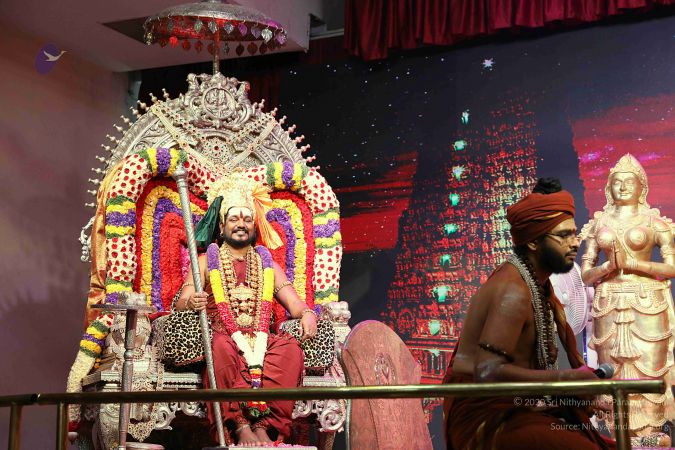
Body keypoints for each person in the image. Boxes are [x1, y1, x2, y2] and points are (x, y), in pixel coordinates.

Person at [443, 178, 614, 450]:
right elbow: (486, 371)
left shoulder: (537, 284)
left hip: (518, 408)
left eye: (574, 234)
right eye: (563, 236)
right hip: (487, 420)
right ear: (533, 242)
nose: (574, 244)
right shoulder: (513, 291)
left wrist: (570, 393)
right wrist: (566, 381)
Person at [176, 170, 317, 447]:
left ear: (254, 226)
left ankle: (265, 427)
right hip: (223, 335)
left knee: (289, 350)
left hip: (260, 337)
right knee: (221, 348)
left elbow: (294, 303)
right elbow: (182, 301)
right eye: (233, 219)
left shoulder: (267, 263)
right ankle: (239, 426)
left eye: (247, 219)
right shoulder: (204, 261)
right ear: (222, 226)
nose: (241, 224)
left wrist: (308, 314)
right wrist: (191, 302)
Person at [580, 154, 675, 447]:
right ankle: (618, 434)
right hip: (608, 302)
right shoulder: (599, 223)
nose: (622, 187)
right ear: (609, 188)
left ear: (641, 187)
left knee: (650, 369)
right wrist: (607, 268)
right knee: (613, 369)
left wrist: (634, 265)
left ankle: (650, 435)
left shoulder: (654, 222)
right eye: (617, 182)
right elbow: (585, 274)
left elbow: (671, 268)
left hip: (648, 303)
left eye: (629, 182)